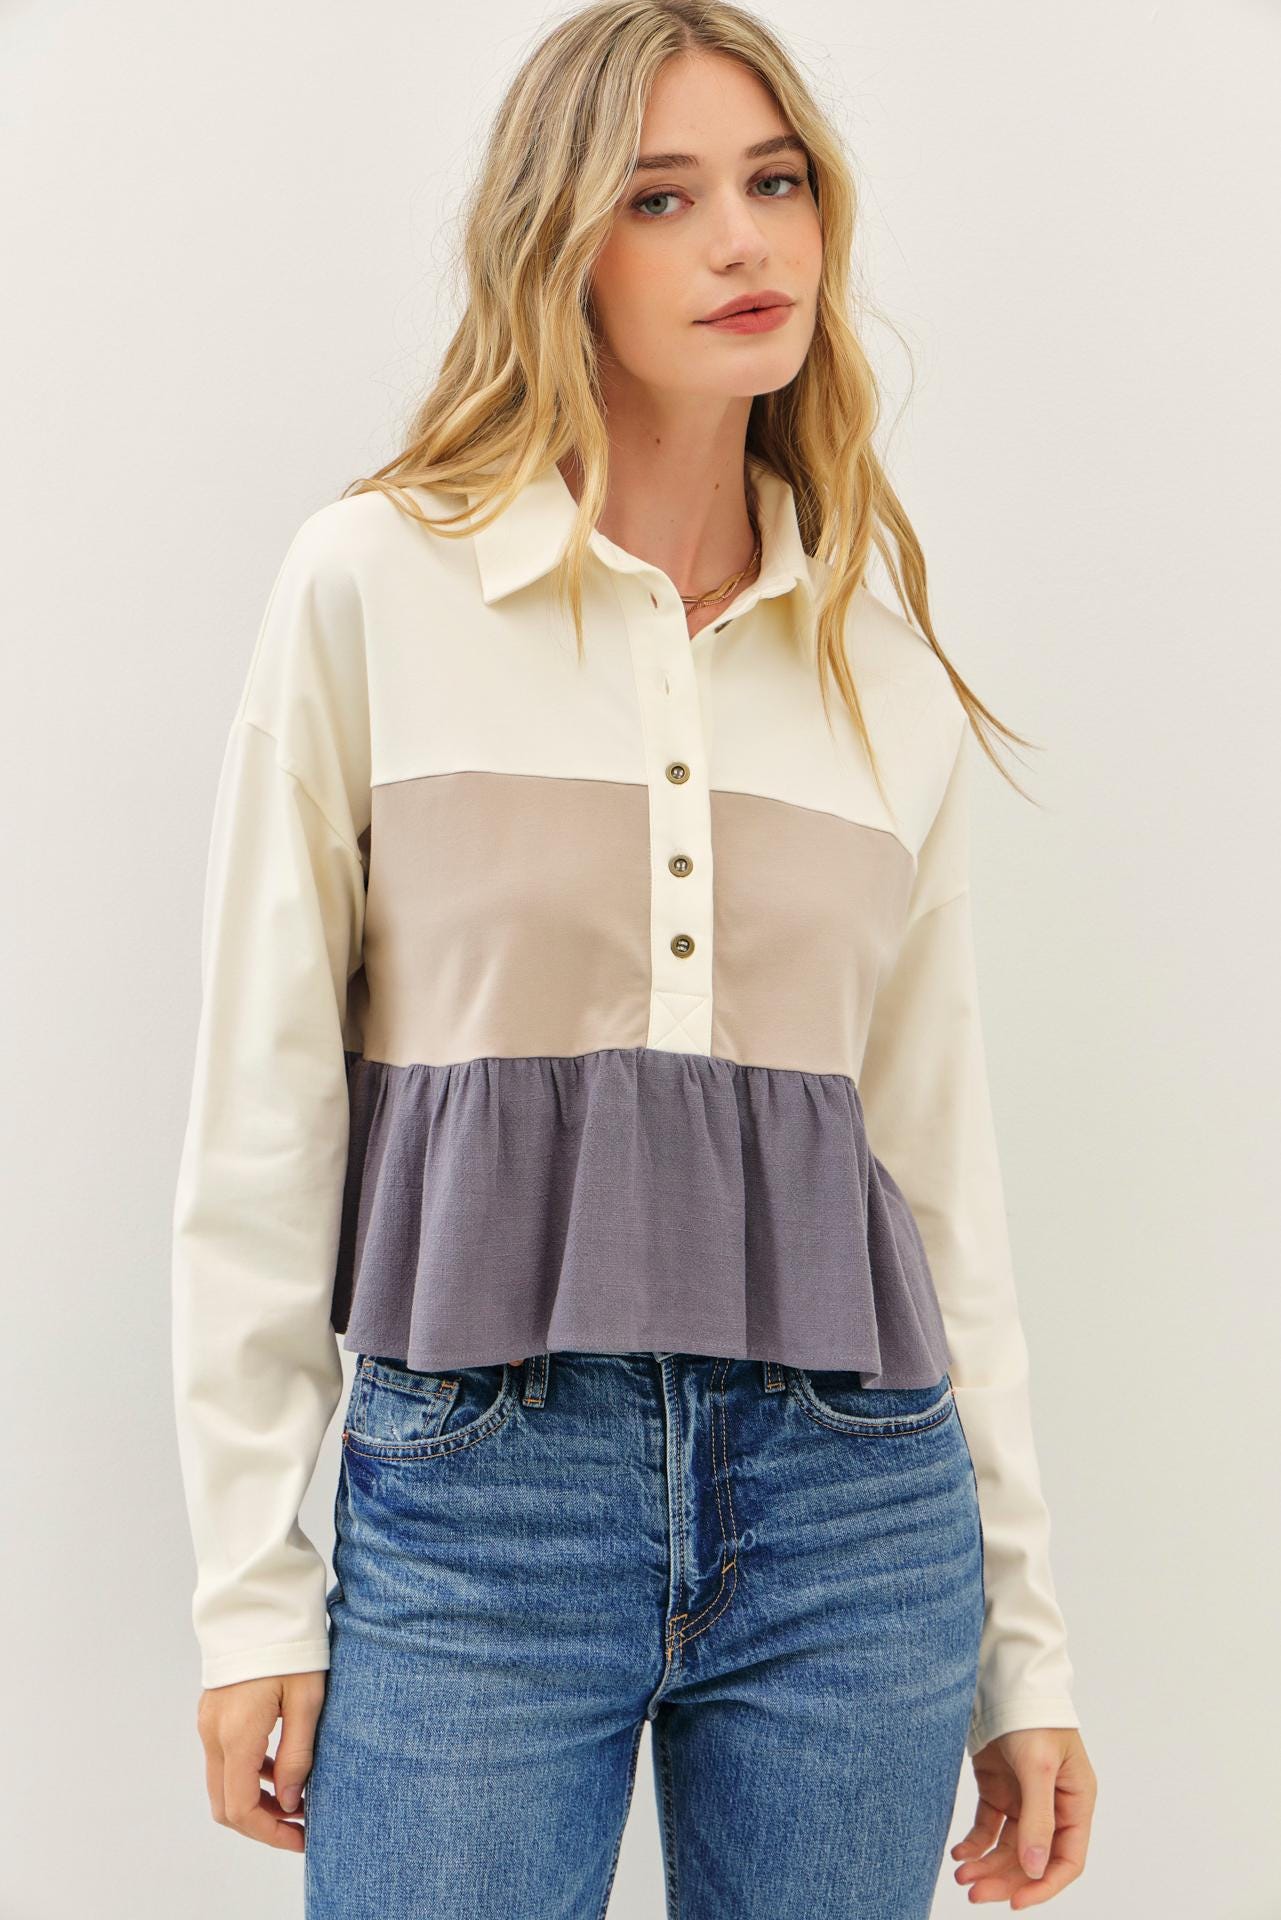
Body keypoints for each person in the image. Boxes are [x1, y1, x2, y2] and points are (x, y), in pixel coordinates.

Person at [171, 3, 1097, 1912]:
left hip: (858, 1506)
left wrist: (1027, 1651)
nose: (744, 241)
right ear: (557, 250)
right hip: (478, 1500)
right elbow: (262, 1111)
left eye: (776, 183)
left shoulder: (880, 674)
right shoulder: (376, 583)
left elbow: (934, 1176)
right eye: (660, 198)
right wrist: (251, 1592)